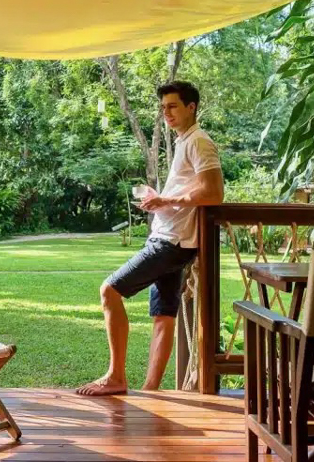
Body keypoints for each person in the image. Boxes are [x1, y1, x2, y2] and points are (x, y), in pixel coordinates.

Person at [76, 81, 223, 396]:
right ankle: (150, 391)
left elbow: (213, 192)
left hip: (170, 243)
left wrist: (166, 200)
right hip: (173, 240)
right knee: (163, 315)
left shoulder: (199, 141)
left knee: (109, 291)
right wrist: (161, 199)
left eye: (173, 106)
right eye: (163, 107)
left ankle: (116, 376)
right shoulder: (185, 141)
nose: (166, 113)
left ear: (191, 107)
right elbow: (192, 190)